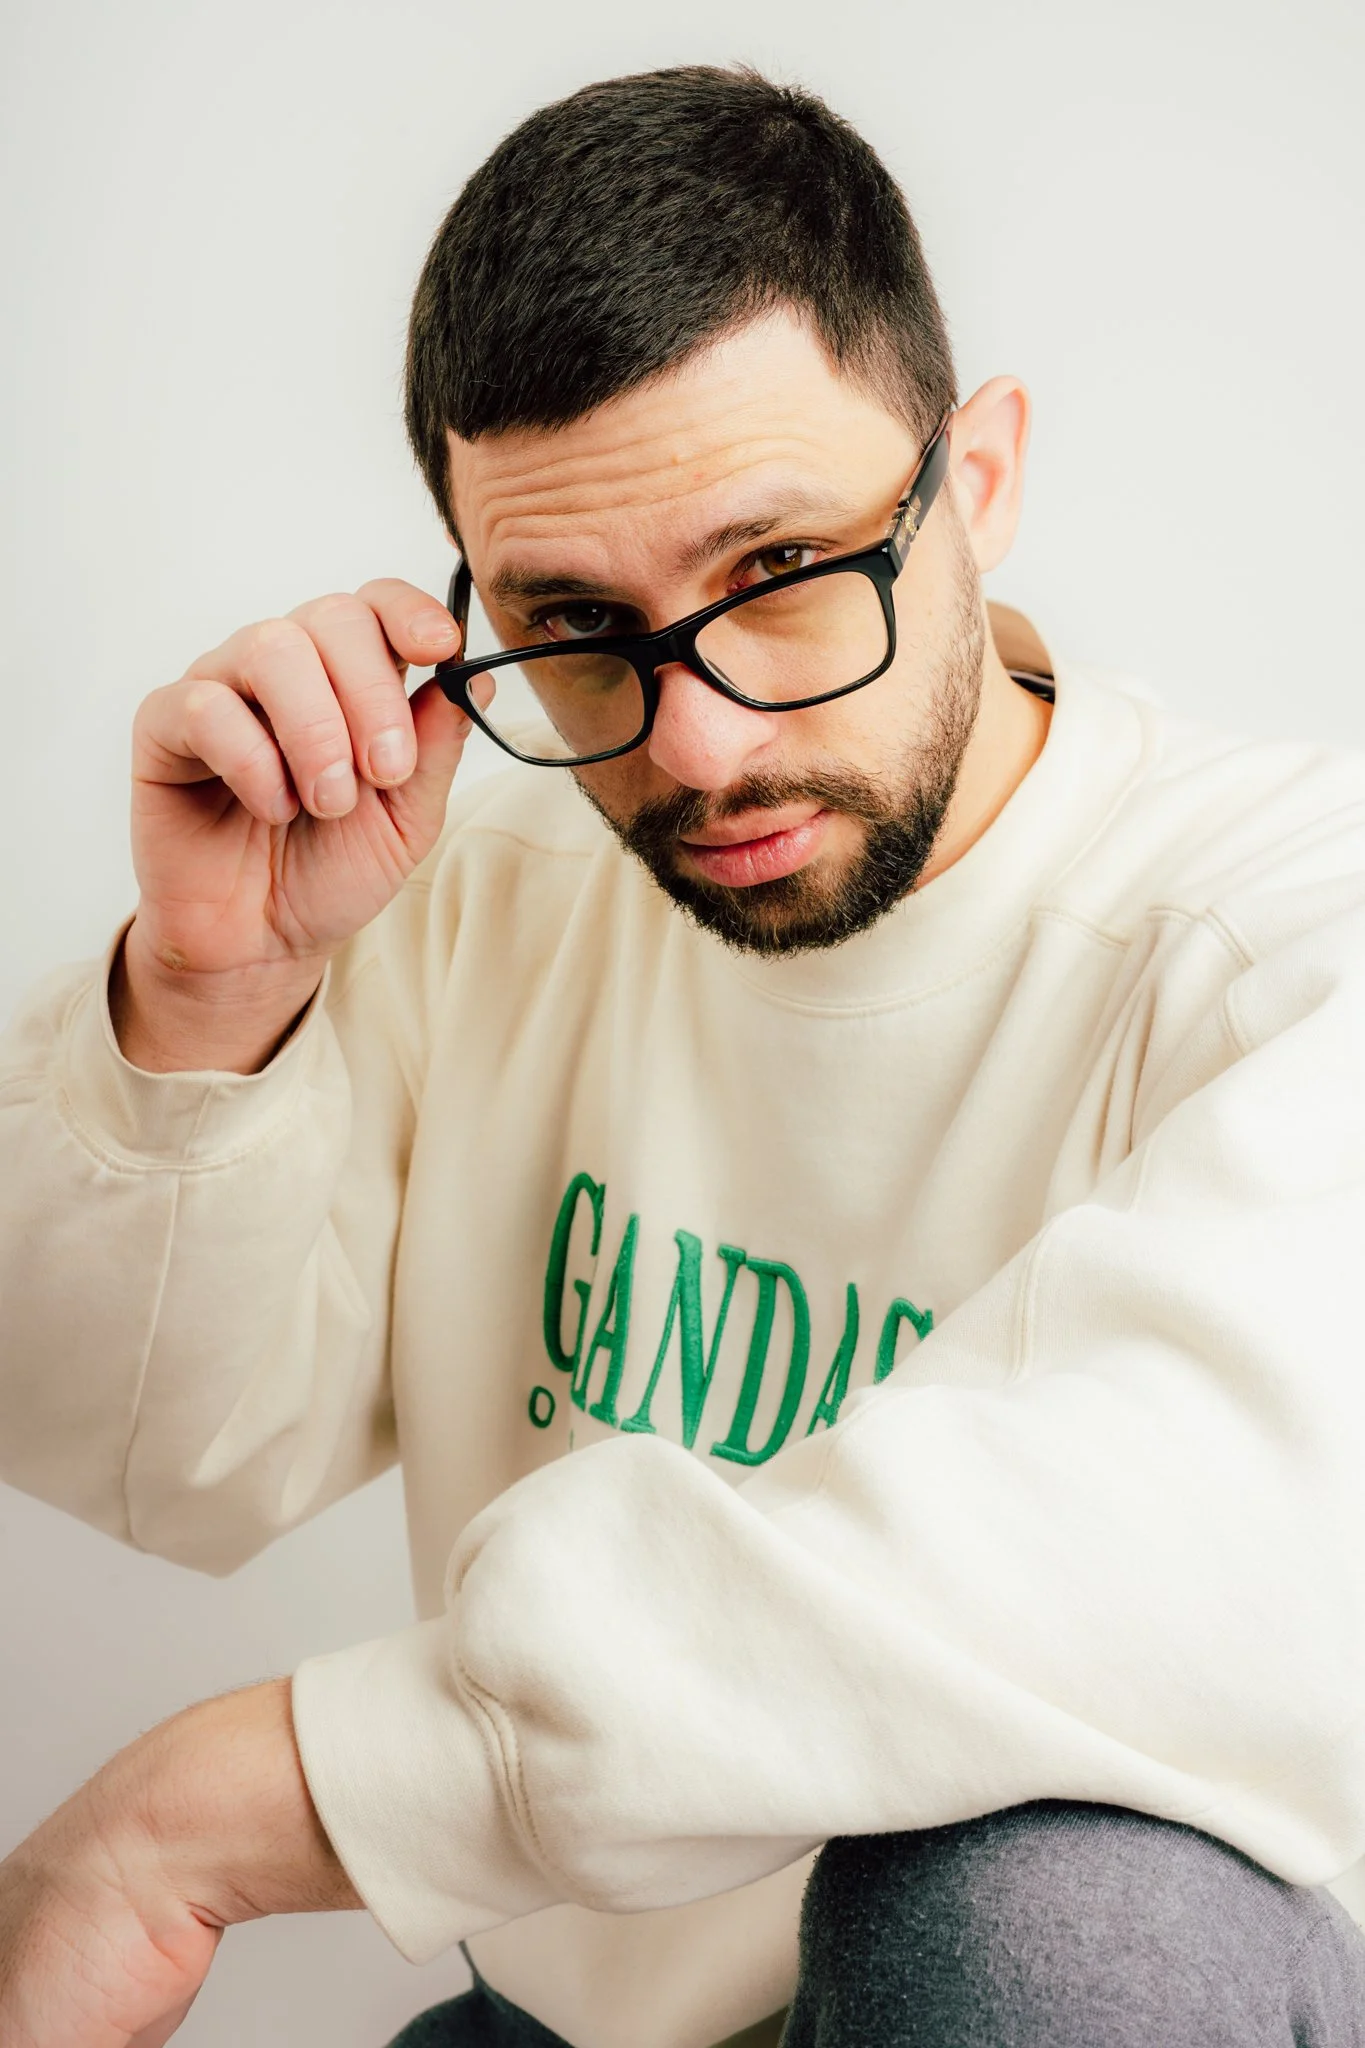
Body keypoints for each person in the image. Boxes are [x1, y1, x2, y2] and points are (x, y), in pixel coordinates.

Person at [1, 59, 1364, 2048]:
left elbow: (1222, 1556)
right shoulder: (484, 885)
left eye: (778, 578)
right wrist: (213, 998)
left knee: (1063, 1913)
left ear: (971, 481)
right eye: (573, 624)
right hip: (559, 2022)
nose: (697, 742)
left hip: (1003, 2009)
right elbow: (159, 1450)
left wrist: (212, 1810)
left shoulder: (1282, 935)